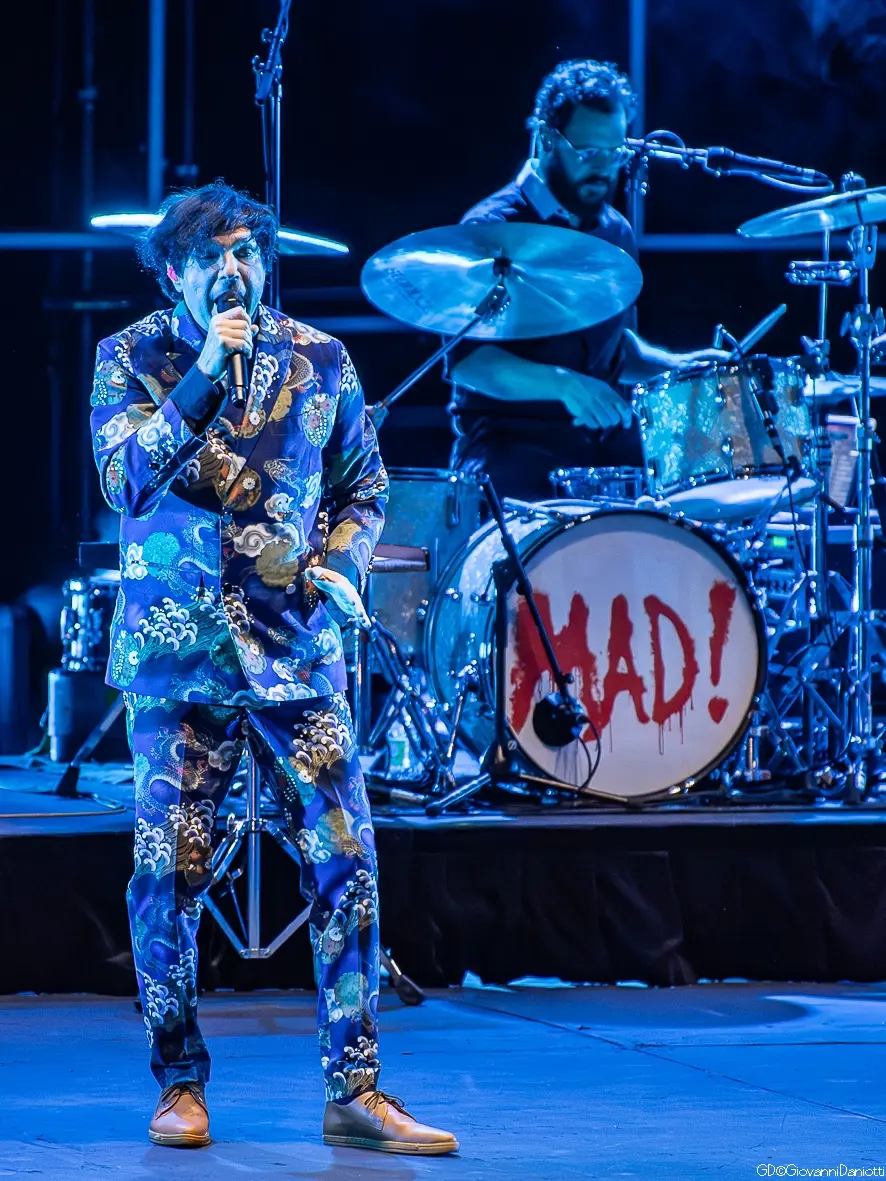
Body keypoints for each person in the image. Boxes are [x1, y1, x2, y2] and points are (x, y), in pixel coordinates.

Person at [90, 182, 458, 1155]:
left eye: (248, 251)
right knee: (166, 875)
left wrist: (341, 563)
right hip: (178, 662)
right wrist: (208, 368)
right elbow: (126, 479)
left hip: (296, 653)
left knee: (348, 863)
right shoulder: (129, 357)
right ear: (174, 272)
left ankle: (355, 1089)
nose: (235, 270)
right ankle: (179, 1082)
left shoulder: (319, 359)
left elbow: (363, 485)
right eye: (213, 255)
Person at [448, 58, 727, 501]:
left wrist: (676, 367)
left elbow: (616, 351)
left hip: (604, 450)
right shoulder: (491, 228)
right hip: (510, 448)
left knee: (696, 493)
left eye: (614, 153)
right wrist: (563, 383)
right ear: (546, 138)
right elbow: (470, 364)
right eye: (587, 152)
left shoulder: (615, 233)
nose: (603, 168)